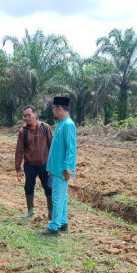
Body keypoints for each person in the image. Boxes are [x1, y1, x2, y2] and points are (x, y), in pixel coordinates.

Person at [41, 96, 76, 236]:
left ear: (59, 108)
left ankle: (54, 227)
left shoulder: (68, 125)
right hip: (56, 168)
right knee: (62, 196)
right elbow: (56, 150)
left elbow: (71, 148)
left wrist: (67, 167)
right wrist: (50, 167)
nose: (53, 112)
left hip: (62, 169)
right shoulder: (62, 124)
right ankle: (62, 222)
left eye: (54, 109)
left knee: (57, 197)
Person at [14, 105, 53, 219]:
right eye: (25, 116)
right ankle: (30, 210)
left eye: (29, 115)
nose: (27, 118)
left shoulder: (45, 128)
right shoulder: (23, 131)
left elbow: (52, 147)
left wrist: (53, 164)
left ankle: (51, 211)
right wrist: (18, 168)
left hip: (45, 164)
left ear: (35, 114)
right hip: (29, 165)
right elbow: (19, 150)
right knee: (29, 186)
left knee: (49, 187)